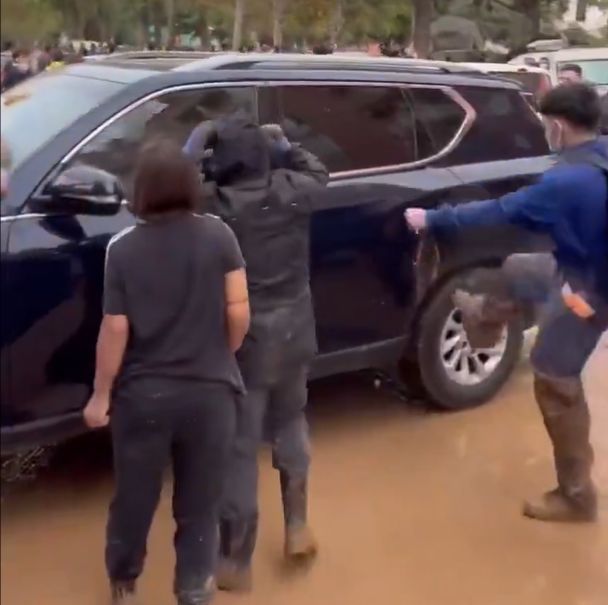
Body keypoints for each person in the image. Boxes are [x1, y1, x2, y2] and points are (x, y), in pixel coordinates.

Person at [405, 83, 608, 523]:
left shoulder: (565, 181)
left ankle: (577, 498)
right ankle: (485, 316)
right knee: (518, 267)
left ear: (556, 126)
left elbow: (499, 211)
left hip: (589, 296)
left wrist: (433, 218)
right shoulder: (600, 156)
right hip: (579, 271)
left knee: (554, 378)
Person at [83, 139, 250, 605]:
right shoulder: (219, 235)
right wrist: (223, 354)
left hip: (144, 400)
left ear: (142, 190)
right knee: (199, 506)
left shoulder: (123, 248)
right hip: (211, 396)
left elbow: (115, 328)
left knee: (135, 498)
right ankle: (194, 591)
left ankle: (124, 583)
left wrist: (100, 396)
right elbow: (238, 311)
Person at [184, 118, 329, 590]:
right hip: (296, 327)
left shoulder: (215, 205)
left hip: (244, 338)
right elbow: (318, 171)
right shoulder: (294, 187)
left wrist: (194, 144)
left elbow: (173, 192)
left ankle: (237, 559)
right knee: (291, 421)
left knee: (239, 447)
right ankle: (297, 526)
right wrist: (284, 143)